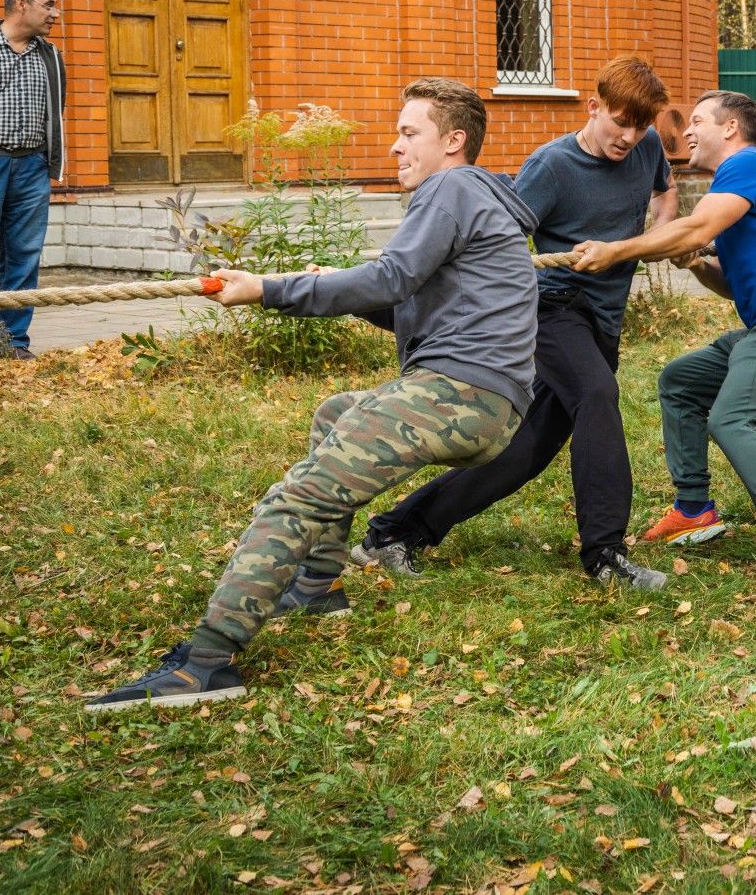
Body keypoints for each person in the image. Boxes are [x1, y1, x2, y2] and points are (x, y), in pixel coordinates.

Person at [89, 79, 539, 710]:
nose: (394, 146)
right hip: (488, 403)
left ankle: (206, 666)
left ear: (453, 140)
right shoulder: (479, 197)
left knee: (295, 498)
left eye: (409, 133)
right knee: (336, 414)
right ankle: (319, 586)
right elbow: (417, 308)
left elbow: (391, 278)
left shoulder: (452, 187)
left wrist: (269, 289)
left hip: (457, 393)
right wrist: (338, 289)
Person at [353, 57, 681, 591]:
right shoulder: (551, 166)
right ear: (593, 107)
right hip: (553, 308)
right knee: (597, 394)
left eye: (640, 126)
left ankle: (395, 531)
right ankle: (605, 556)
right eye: (620, 122)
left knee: (524, 451)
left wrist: (655, 237)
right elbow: (489, 237)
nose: (629, 137)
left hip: (603, 319)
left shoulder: (645, 148)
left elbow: (665, 189)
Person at [572, 90, 756, 592]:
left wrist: (615, 250)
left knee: (733, 418)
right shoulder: (741, 185)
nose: (686, 132)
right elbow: (731, 284)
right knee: (681, 381)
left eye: (698, 121)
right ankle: (694, 509)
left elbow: (695, 226)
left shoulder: (747, 165)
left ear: (731, 129)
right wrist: (699, 264)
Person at [0, 0, 64, 360]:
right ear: (22, 4)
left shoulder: (50, 55)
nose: (55, 14)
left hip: (31, 168)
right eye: (49, 5)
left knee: (25, 259)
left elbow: (55, 112)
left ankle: (12, 344)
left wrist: (48, 161)